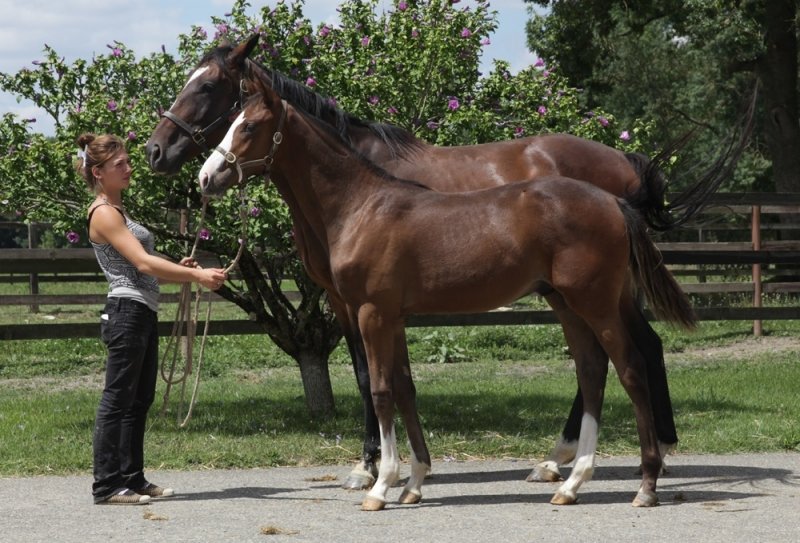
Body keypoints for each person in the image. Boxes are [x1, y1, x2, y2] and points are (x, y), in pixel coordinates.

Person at [76, 133, 227, 505]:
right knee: (117, 400)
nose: (129, 168)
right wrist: (196, 275)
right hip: (126, 312)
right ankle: (106, 485)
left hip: (140, 310)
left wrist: (180, 269)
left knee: (138, 400)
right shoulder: (104, 213)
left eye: (127, 162)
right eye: (120, 165)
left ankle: (132, 478)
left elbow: (143, 268)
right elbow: (143, 264)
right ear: (98, 172)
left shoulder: (120, 212)